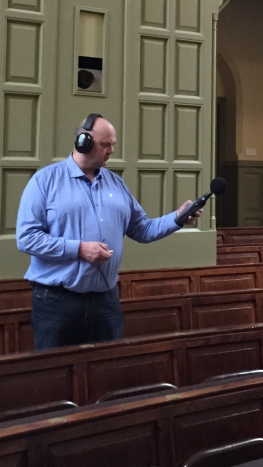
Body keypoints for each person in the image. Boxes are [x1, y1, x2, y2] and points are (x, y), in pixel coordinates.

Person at [16, 114, 201, 349]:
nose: (112, 150)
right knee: (55, 374)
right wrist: (79, 249)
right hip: (56, 300)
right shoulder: (45, 181)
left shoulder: (116, 183)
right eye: (106, 144)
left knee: (106, 371)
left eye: (113, 144)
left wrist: (176, 218)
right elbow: (27, 239)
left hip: (106, 300)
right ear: (83, 142)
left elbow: (142, 229)